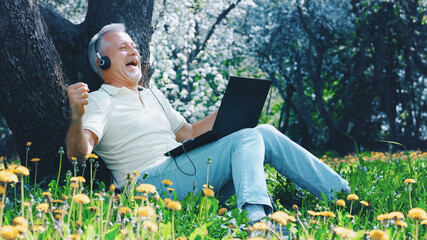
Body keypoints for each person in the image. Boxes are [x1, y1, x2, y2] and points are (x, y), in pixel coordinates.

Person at [66, 23, 350, 223]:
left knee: (263, 132)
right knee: (247, 138)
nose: (133, 52)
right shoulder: (101, 100)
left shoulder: (151, 93)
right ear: (102, 62)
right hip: (149, 186)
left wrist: (231, 110)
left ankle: (344, 196)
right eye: (122, 48)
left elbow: (187, 132)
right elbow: (79, 153)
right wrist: (78, 116)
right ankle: (256, 223)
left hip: (184, 171)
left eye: (134, 47)